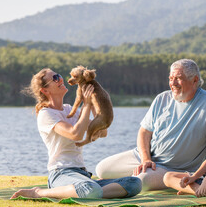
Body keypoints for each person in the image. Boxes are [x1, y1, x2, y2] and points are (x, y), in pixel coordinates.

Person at [11, 68, 142, 200]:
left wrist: (93, 102)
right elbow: (76, 135)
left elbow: (103, 132)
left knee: (134, 183)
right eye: (55, 78)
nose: (61, 79)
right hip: (60, 173)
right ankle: (38, 192)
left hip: (82, 174)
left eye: (59, 75)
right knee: (90, 189)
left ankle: (91, 190)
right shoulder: (46, 114)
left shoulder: (69, 109)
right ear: (45, 90)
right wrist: (86, 105)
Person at [95, 59, 206, 191]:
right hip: (144, 158)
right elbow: (144, 132)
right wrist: (146, 159)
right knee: (102, 169)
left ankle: (115, 182)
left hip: (173, 169)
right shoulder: (161, 99)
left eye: (178, 78)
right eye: (171, 78)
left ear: (195, 80)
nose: (173, 83)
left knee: (142, 181)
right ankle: (117, 180)